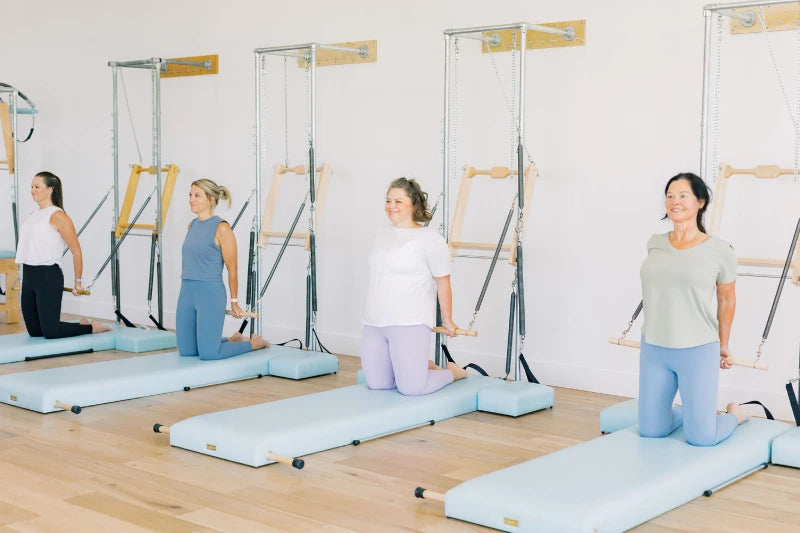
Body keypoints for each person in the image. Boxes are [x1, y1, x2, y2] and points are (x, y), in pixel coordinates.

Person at [638, 172, 749, 446]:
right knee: (652, 431)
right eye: (670, 196)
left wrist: (723, 345)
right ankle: (690, 414)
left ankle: (735, 415)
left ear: (700, 202)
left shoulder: (720, 250)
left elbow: (727, 300)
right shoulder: (655, 243)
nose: (675, 201)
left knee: (702, 438)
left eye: (683, 196)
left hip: (698, 348)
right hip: (654, 346)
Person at [361, 177, 468, 396]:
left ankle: (453, 372)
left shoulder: (430, 239)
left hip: (410, 322)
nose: (391, 206)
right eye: (389, 200)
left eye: (398, 201)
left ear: (414, 205)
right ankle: (420, 365)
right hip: (374, 322)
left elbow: (443, 281)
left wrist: (447, 320)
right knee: (378, 384)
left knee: (412, 389)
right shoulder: (381, 234)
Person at [176, 179, 268, 360]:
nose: (191, 199)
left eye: (197, 196)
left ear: (211, 199)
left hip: (210, 293)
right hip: (187, 291)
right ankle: (233, 339)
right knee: (187, 351)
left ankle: (253, 343)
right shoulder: (191, 225)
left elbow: (232, 269)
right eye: (190, 195)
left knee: (209, 353)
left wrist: (234, 301)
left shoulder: (222, 228)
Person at [15, 171, 111, 338]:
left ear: (50, 189)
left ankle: (92, 327)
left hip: (47, 277)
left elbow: (76, 250)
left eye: (37, 186)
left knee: (50, 332)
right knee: (35, 332)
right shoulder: (34, 214)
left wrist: (78, 282)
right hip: (29, 276)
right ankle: (80, 324)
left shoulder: (59, 216)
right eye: (31, 186)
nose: (33, 190)